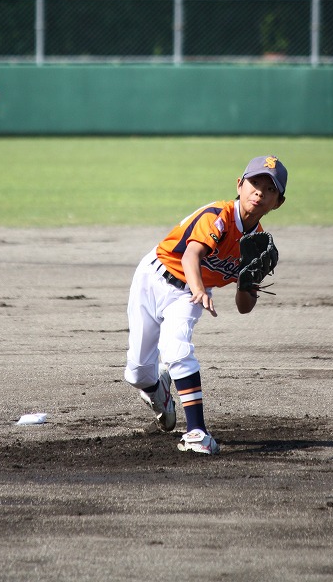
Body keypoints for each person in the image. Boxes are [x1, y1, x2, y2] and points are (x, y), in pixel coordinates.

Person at [124, 154, 287, 455]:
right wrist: (200, 290)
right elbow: (191, 255)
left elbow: (244, 307)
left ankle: (197, 432)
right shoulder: (218, 215)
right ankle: (159, 390)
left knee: (177, 350)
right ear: (239, 185)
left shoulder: (257, 245)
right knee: (137, 374)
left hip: (187, 294)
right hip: (153, 277)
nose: (259, 192)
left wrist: (247, 283)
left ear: (278, 202)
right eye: (254, 183)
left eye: (270, 189)